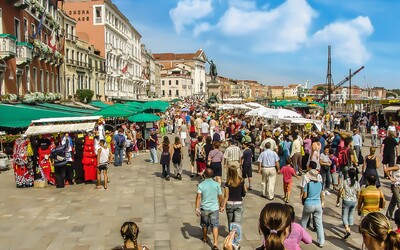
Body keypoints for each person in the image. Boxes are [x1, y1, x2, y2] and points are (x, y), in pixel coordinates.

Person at [195, 168, 223, 249]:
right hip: (214, 208)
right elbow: (220, 196)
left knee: (204, 224)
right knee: (215, 225)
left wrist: (197, 208)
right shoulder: (217, 184)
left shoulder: (201, 185)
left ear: (204, 175)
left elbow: (198, 197)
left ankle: (205, 238)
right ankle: (215, 243)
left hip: (204, 208)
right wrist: (221, 205)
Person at [300, 167, 325, 248]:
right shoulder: (320, 184)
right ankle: (321, 241)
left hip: (309, 204)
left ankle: (300, 237)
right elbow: (322, 195)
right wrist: (322, 203)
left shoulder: (308, 184)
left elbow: (305, 195)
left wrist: (303, 198)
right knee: (319, 224)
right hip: (318, 204)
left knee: (304, 221)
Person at [336, 168, 360, 239]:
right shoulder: (357, 183)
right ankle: (349, 228)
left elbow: (340, 191)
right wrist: (358, 202)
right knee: (351, 215)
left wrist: (338, 199)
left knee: (344, 215)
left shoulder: (345, 182)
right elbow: (358, 193)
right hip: (354, 201)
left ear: (348, 174)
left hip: (346, 200)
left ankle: (347, 228)